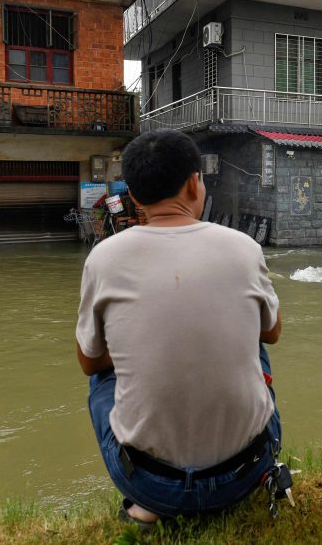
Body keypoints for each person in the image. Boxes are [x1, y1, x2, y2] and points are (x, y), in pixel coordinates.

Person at [75, 130, 282, 526]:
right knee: (256, 343)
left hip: (152, 485)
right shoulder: (244, 247)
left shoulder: (104, 258)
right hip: (245, 472)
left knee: (102, 379)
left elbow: (88, 361)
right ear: (194, 182)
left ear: (134, 197)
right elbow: (272, 332)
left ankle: (148, 505)